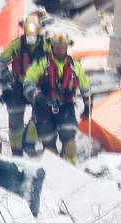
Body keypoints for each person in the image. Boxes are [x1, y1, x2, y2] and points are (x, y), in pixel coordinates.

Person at [23, 29, 91, 164]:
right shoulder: (41, 63)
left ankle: (71, 172)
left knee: (70, 146)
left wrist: (88, 105)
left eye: (63, 48)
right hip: (44, 109)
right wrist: (37, 96)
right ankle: (53, 173)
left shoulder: (75, 66)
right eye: (57, 48)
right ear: (52, 48)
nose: (60, 51)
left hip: (66, 108)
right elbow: (28, 82)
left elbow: (85, 85)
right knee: (50, 149)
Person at [0, 13, 48, 156]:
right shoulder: (18, 44)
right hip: (18, 84)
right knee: (15, 120)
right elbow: (2, 59)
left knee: (42, 113)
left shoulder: (46, 45)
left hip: (38, 86)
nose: (31, 33)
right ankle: (16, 150)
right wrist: (4, 72)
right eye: (28, 29)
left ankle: (29, 142)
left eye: (34, 29)